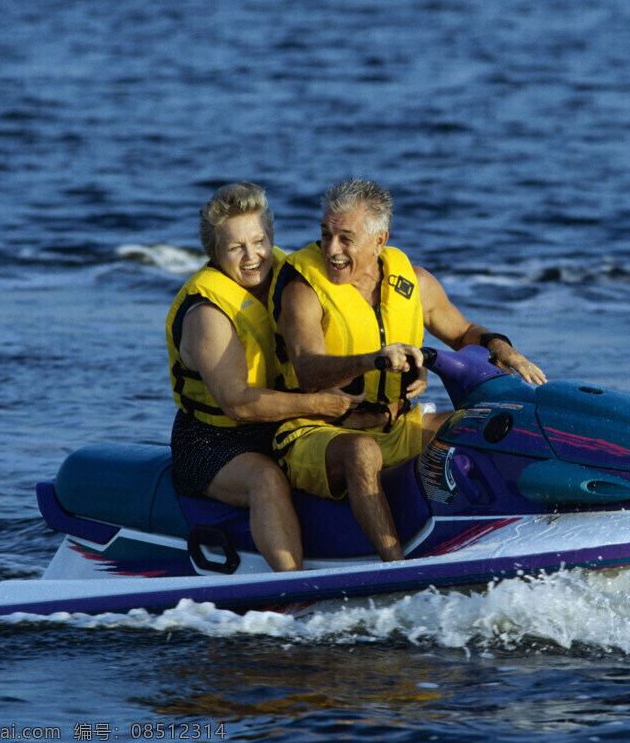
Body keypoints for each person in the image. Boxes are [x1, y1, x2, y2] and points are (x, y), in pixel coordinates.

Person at [272, 178, 546, 562]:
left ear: (379, 241)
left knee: (489, 425)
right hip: (315, 433)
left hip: (397, 424)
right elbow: (308, 371)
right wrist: (372, 359)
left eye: (345, 239)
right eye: (325, 235)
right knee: (362, 454)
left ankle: (526, 532)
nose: (332, 250)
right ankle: (394, 567)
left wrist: (501, 348)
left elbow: (464, 332)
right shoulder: (303, 290)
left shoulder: (413, 282)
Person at [166, 182, 363, 572]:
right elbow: (237, 403)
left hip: (282, 421)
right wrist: (318, 406)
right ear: (215, 252)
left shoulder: (294, 279)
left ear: (271, 237)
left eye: (258, 242)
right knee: (267, 479)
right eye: (236, 248)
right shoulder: (208, 315)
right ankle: (292, 586)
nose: (252, 256)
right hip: (213, 439)